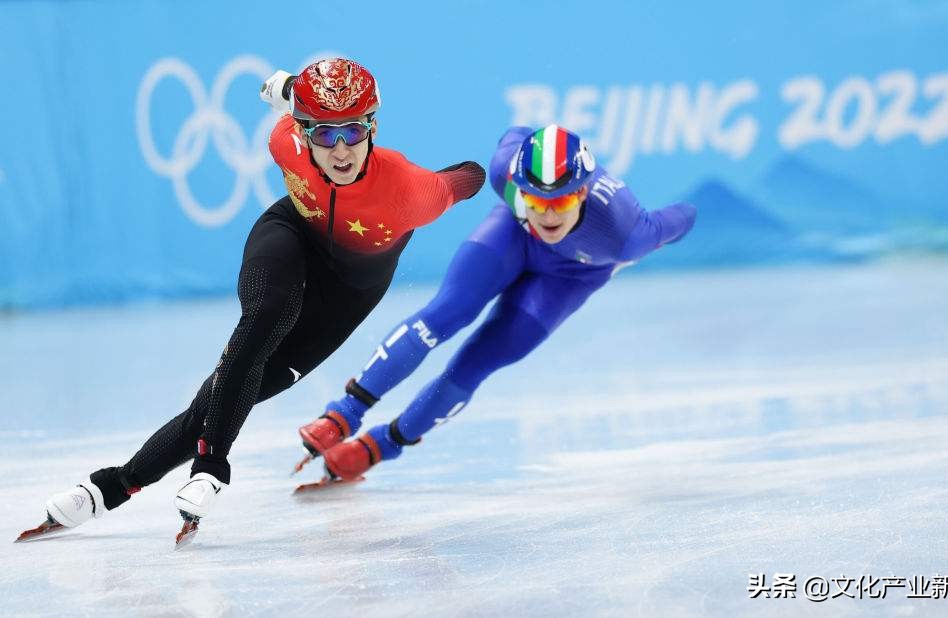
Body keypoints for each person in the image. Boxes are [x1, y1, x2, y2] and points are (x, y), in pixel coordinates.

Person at [24, 58, 485, 542]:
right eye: (324, 134)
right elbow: (291, 103)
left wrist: (495, 172)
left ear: (373, 127)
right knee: (265, 316)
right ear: (302, 132)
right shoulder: (284, 141)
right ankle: (211, 468)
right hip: (291, 236)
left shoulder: (410, 190)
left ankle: (111, 487)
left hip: (348, 292)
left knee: (221, 397)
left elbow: (467, 177)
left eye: (352, 131)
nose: (340, 150)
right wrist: (288, 91)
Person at [291, 124, 696, 486]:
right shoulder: (504, 171)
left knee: (477, 361)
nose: (547, 216)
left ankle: (380, 446)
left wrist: (660, 237)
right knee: (446, 312)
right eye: (535, 200)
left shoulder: (627, 234)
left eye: (559, 204)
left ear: (584, 193)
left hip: (571, 276)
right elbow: (516, 133)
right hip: (513, 235)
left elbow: (686, 215)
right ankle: (343, 414)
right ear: (518, 186)